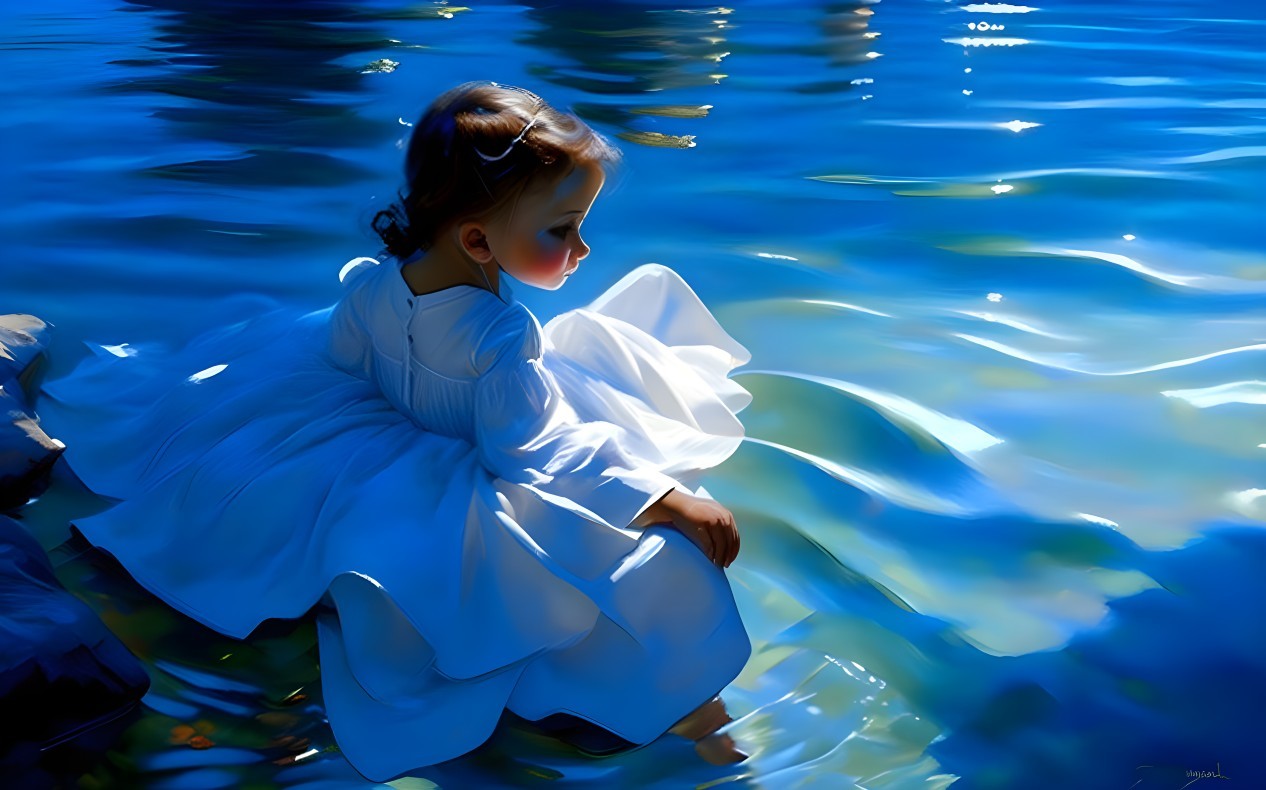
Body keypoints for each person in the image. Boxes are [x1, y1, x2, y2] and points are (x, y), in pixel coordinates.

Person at [36, 80, 755, 782]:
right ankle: (697, 729)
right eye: (563, 230)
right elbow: (528, 448)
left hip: (386, 440)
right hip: (473, 455)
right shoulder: (502, 337)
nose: (584, 249)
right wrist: (661, 498)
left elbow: (344, 359)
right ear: (477, 238)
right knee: (649, 577)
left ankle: (275, 671)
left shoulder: (377, 282)